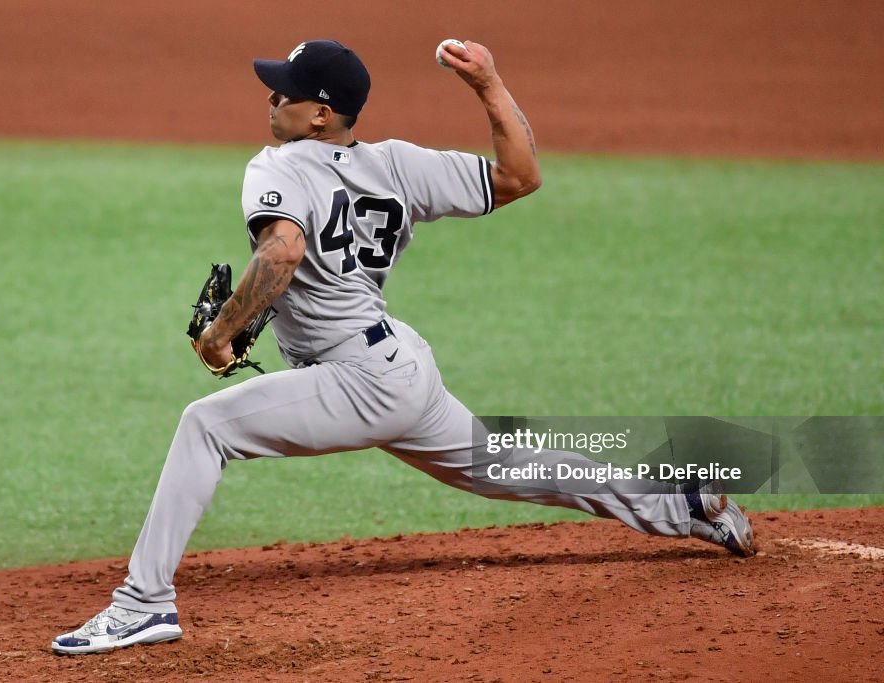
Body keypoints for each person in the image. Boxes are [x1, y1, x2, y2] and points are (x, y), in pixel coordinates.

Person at [51, 39, 756, 656]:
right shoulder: (399, 165)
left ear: (319, 114)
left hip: (359, 380)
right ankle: (684, 504)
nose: (272, 97)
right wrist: (488, 85)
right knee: (503, 464)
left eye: (286, 91)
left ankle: (142, 605)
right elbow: (520, 176)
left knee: (204, 426)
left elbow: (283, 252)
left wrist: (220, 333)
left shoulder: (277, 166)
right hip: (400, 368)